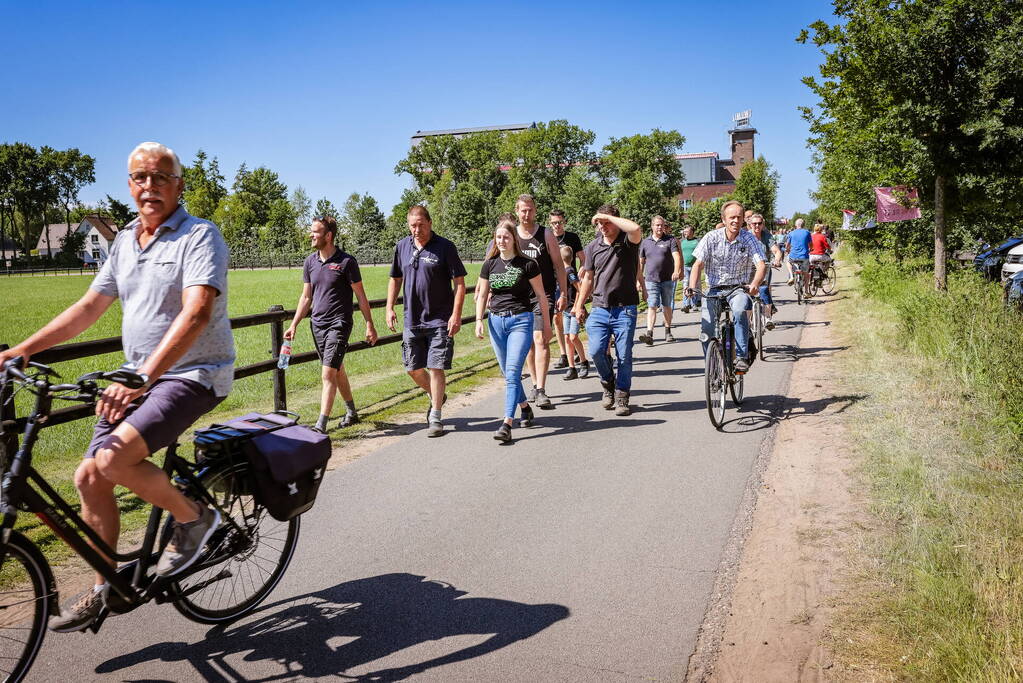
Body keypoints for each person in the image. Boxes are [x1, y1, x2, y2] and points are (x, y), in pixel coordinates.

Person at [0, 142, 235, 631]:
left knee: (112, 458)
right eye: (140, 177)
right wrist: (21, 350)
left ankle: (195, 518)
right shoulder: (124, 241)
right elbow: (88, 307)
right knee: (88, 477)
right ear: (130, 185)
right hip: (136, 377)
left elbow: (197, 313)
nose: (149, 186)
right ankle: (105, 585)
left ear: (178, 186)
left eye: (160, 177)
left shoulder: (199, 236)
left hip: (192, 374)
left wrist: (143, 376)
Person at [285, 216, 378, 433]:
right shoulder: (310, 262)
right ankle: (352, 412)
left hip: (340, 323)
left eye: (315, 231)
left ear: (328, 235)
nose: (311, 235)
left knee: (327, 374)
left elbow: (361, 297)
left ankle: (320, 426)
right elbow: (306, 297)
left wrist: (369, 324)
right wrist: (294, 324)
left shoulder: (346, 262)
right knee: (337, 370)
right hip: (317, 324)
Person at [386, 205, 467, 437]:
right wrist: (390, 307)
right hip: (412, 319)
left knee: (436, 366)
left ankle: (436, 417)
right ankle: (437, 394)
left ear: (430, 223)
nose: (417, 229)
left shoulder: (445, 247)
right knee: (412, 368)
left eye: (421, 224)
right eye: (413, 225)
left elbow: (459, 283)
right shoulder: (402, 247)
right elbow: (395, 278)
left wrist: (456, 314)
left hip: (440, 319)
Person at [474, 219, 550, 442]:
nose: (502, 241)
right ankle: (525, 407)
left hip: (521, 320)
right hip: (496, 322)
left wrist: (545, 324)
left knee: (513, 371)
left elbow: (541, 296)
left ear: (514, 239)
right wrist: (479, 319)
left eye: (506, 237)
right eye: (498, 237)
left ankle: (507, 422)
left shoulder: (528, 264)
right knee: (509, 374)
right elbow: (482, 294)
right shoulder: (490, 264)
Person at [573, 205, 643, 416]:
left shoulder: (628, 241)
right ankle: (607, 381)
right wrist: (578, 304)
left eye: (606, 222)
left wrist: (604, 215)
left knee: (625, 356)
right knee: (595, 351)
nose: (602, 226)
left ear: (616, 221)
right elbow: (588, 278)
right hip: (600, 308)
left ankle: (622, 395)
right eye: (599, 223)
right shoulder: (593, 247)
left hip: (625, 309)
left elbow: (636, 228)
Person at [686, 200, 767, 374]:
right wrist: (692, 287)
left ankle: (741, 356)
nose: (735, 221)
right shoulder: (711, 237)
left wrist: (754, 284)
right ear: (724, 219)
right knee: (707, 331)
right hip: (714, 290)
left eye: (739, 217)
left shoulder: (748, 238)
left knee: (739, 310)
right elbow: (697, 265)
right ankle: (713, 368)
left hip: (738, 288)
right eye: (732, 217)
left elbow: (761, 264)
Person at [509, 195, 568, 410]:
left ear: (535, 211)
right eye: (523, 210)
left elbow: (559, 266)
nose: (527, 214)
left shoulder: (546, 234)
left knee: (541, 338)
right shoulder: (512, 235)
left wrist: (563, 293)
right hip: (519, 296)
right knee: (529, 343)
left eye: (530, 210)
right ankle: (534, 383)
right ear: (517, 211)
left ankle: (541, 389)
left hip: (544, 294)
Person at [548, 209, 584, 370]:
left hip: (569, 282)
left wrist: (581, 271)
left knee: (571, 315)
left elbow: (583, 259)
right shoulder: (547, 238)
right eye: (554, 222)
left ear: (564, 222)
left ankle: (575, 349)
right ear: (550, 223)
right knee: (557, 318)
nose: (557, 225)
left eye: (559, 222)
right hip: (553, 283)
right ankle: (563, 354)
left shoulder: (572, 237)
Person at [637, 216, 682, 345]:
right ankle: (649, 333)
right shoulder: (645, 242)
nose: (660, 228)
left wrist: (676, 271)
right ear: (652, 226)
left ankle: (668, 331)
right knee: (652, 305)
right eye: (657, 225)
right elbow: (641, 263)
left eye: (662, 225)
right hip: (651, 280)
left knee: (666, 306)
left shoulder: (670, 240)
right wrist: (638, 280)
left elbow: (676, 256)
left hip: (667, 279)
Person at [747, 213, 783, 329]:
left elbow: (776, 251)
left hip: (765, 267)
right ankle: (747, 322)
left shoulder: (766, 236)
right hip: (748, 269)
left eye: (759, 223)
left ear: (763, 224)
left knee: (763, 289)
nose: (757, 226)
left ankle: (768, 317)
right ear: (750, 224)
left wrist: (777, 260)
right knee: (747, 293)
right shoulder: (745, 236)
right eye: (754, 223)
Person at [558, 244, 589, 379]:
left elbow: (580, 288)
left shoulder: (569, 271)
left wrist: (577, 306)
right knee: (566, 337)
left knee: (573, 337)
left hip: (573, 310)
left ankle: (583, 362)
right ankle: (572, 368)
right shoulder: (561, 271)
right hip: (565, 309)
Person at [785, 218, 813, 292]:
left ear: (795, 225)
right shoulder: (807, 233)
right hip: (804, 256)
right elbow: (811, 245)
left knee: (787, 261)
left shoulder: (791, 233)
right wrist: (811, 249)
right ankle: (806, 291)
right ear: (803, 225)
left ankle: (791, 276)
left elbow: (787, 245)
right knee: (806, 274)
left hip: (793, 256)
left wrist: (787, 250)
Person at [679, 225, 702, 312]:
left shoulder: (697, 241)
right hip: (685, 266)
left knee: (694, 285)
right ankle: (686, 304)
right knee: (685, 285)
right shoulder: (681, 241)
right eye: (684, 232)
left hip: (694, 267)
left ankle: (694, 304)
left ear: (692, 232)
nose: (684, 233)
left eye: (686, 232)